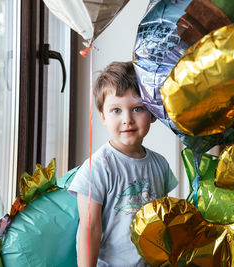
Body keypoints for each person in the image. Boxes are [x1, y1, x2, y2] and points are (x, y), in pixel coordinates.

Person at [68, 61, 178, 267]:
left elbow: (162, 223)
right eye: (116, 110)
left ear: (153, 113)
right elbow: (89, 229)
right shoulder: (97, 168)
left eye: (137, 108)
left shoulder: (160, 164)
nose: (127, 119)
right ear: (102, 116)